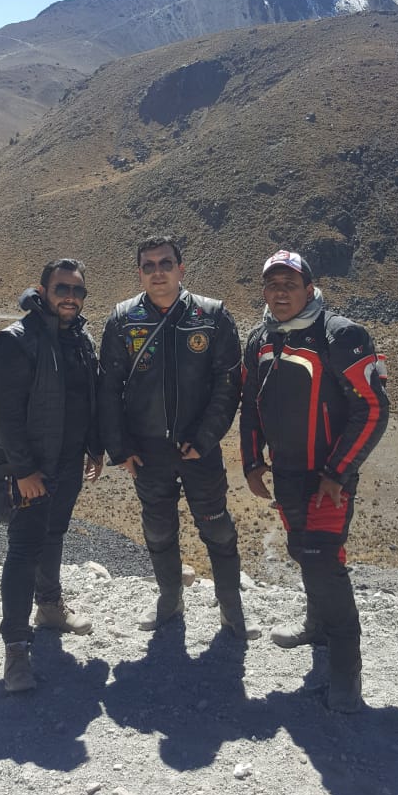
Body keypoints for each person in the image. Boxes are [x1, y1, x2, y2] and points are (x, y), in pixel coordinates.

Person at [240, 250, 389, 711]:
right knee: (301, 551)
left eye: (289, 283)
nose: (280, 292)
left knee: (325, 564)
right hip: (285, 473)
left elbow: (373, 408)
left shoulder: (340, 335)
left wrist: (338, 473)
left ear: (309, 287)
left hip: (328, 480)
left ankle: (347, 672)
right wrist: (251, 462)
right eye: (272, 284)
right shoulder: (260, 338)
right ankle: (318, 628)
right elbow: (250, 405)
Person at [99, 235, 257, 639]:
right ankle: (169, 601)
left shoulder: (212, 316)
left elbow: (228, 385)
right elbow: (108, 388)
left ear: (181, 269)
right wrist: (120, 448)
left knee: (217, 526)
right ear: (139, 273)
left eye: (165, 263)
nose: (158, 272)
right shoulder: (122, 320)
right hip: (146, 451)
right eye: (148, 265)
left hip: (197, 449)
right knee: (158, 529)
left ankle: (231, 608)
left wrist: (205, 438)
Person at [0, 258, 102, 692]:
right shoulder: (18, 340)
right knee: (23, 550)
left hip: (69, 461)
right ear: (42, 292)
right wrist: (22, 470)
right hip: (33, 468)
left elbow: (86, 396)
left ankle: (50, 606)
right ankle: (16, 648)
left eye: (77, 290)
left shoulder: (80, 338)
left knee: (54, 534)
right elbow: (6, 411)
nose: (70, 297)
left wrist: (94, 445)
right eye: (62, 289)